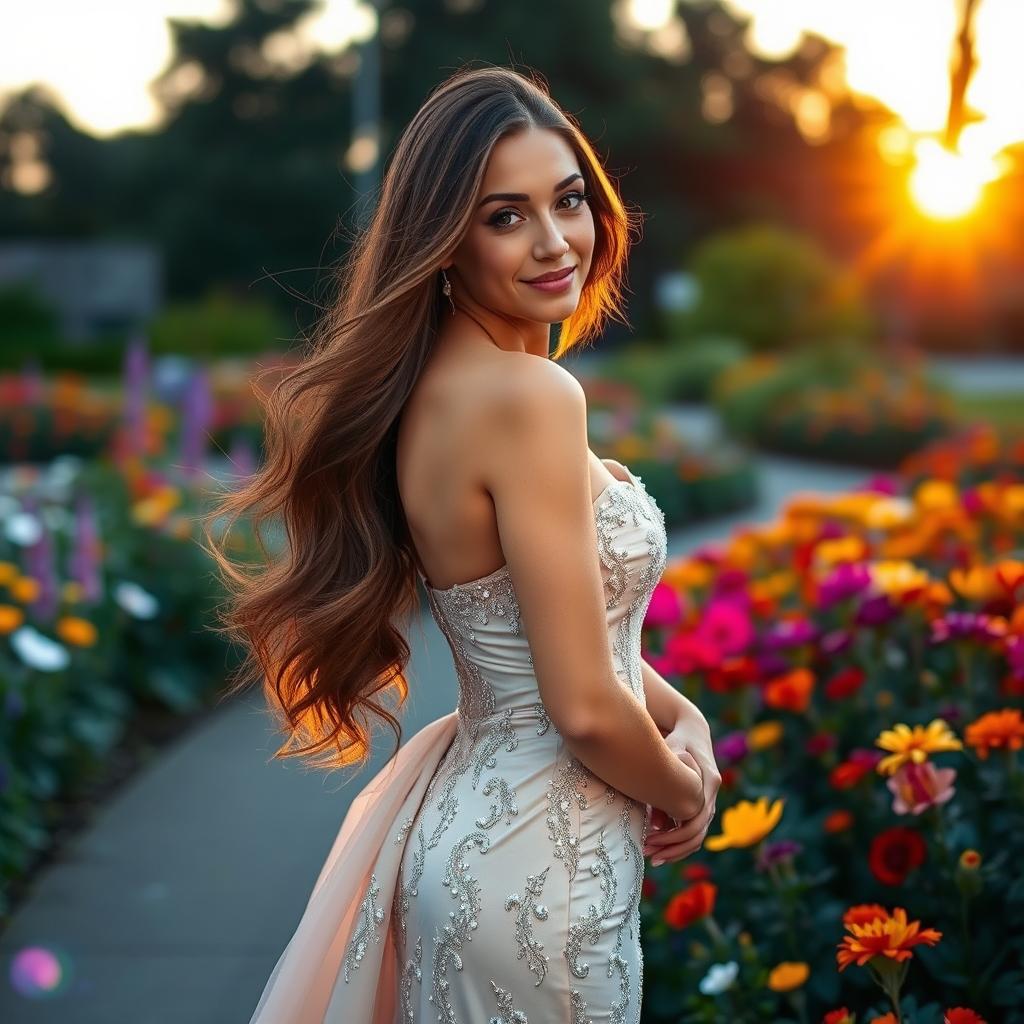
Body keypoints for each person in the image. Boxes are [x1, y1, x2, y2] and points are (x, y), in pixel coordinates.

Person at [206, 64, 720, 1024]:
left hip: (479, 841)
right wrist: (686, 790)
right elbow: (581, 707)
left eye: (568, 202)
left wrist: (681, 712)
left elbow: (556, 634)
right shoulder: (530, 398)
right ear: (443, 240)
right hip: (543, 870)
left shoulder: (437, 389)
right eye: (505, 216)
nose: (555, 241)